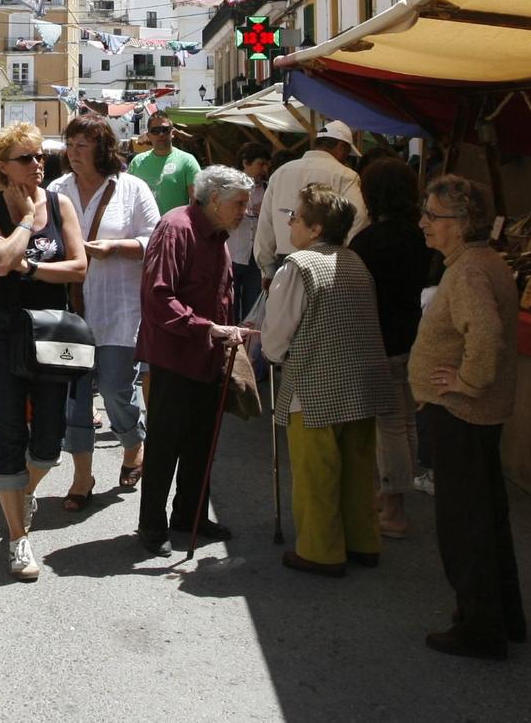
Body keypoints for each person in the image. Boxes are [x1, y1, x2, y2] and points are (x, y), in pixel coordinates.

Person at [413, 174, 525, 659]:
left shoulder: (470, 271)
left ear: (460, 224)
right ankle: (503, 617)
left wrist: (468, 382)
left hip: (462, 412)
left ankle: (480, 627)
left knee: (465, 524)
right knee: (485, 517)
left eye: (433, 217)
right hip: (467, 414)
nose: (424, 224)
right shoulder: (475, 263)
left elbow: (484, 333)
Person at [0, 121, 88, 581]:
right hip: (1, 330)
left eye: (41, 156)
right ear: (2, 165)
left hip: (51, 332)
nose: (37, 165)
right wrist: (22, 221)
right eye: (25, 158)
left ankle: (24, 491)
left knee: (48, 439)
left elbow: (78, 268)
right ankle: (18, 537)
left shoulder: (61, 205)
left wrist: (32, 268)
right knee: (7, 430)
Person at [261, 185, 396, 575]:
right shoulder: (355, 261)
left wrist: (272, 354)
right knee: (357, 468)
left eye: (296, 217)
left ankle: (321, 550)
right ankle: (363, 541)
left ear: (316, 228)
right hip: (362, 380)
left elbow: (278, 332)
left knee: (316, 471)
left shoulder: (298, 265)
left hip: (316, 385)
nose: (289, 222)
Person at [135, 165, 253, 557]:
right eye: (239, 203)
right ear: (214, 198)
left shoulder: (217, 234)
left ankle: (190, 515)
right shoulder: (176, 228)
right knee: (166, 443)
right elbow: (158, 296)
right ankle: (151, 526)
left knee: (202, 441)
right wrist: (206, 327)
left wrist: (227, 329)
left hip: (208, 354)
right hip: (176, 355)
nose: (245, 212)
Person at [54, 115, 160, 508]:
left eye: (83, 145)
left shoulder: (132, 189)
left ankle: (134, 443)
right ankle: (82, 477)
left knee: (117, 390)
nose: (74, 152)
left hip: (119, 309)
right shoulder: (57, 189)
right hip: (70, 312)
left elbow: (156, 238)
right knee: (75, 399)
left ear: (102, 148)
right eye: (71, 144)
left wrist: (116, 248)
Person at [352, 156, 436, 539]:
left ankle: (395, 508)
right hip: (412, 335)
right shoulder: (422, 236)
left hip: (379, 339)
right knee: (403, 421)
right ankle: (391, 496)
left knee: (389, 424)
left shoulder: (370, 240)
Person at [253, 120, 368, 276]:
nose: (345, 159)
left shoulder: (281, 173)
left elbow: (266, 224)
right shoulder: (346, 175)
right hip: (325, 261)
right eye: (347, 154)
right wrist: (342, 251)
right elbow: (358, 217)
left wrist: (267, 269)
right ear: (341, 148)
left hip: (284, 262)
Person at [229, 143, 271, 320]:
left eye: (266, 165)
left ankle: (246, 343)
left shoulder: (269, 188)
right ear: (245, 162)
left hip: (256, 259)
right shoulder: (229, 187)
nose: (264, 169)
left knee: (253, 308)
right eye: (260, 164)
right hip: (232, 254)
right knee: (230, 304)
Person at [128, 112, 202, 214]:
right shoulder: (137, 162)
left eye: (165, 130)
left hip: (174, 228)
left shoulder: (187, 161)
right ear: (149, 135)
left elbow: (197, 203)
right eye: (156, 131)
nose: (161, 134)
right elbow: (127, 198)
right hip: (144, 229)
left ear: (172, 133)